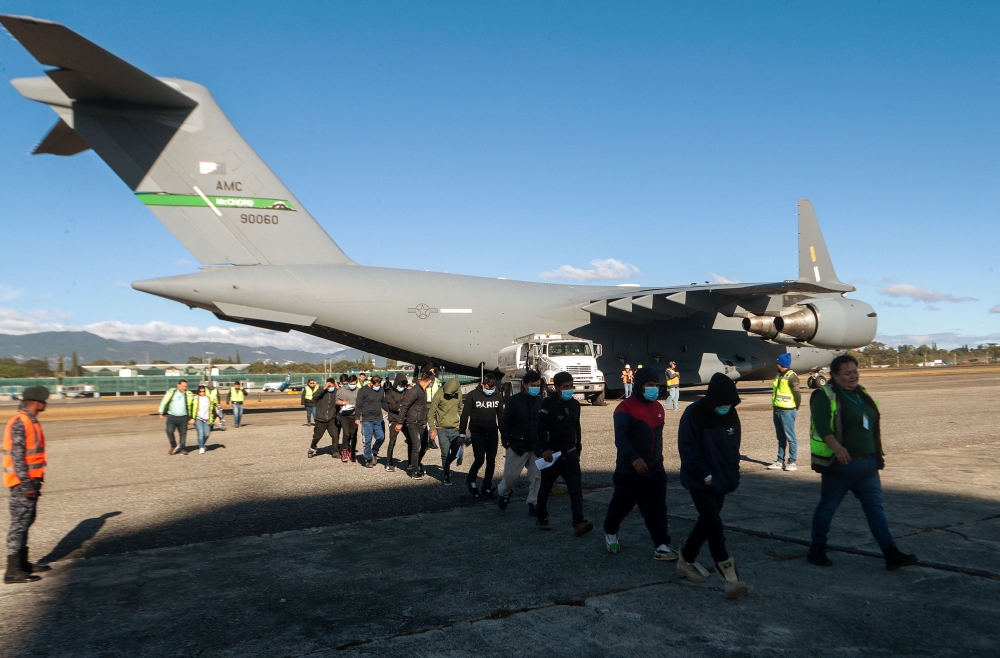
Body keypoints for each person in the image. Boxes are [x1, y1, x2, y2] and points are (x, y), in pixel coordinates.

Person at [808, 354, 918, 571]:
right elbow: (823, 427)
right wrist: (838, 449)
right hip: (841, 465)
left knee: (875, 509)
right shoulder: (824, 396)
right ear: (835, 376)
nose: (853, 376)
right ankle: (817, 548)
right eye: (847, 373)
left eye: (855, 371)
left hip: (868, 465)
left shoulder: (861, 393)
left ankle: (890, 553)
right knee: (827, 507)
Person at [676, 372, 748, 599]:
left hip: (723, 480)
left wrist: (733, 472)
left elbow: (734, 447)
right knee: (714, 525)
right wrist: (705, 475)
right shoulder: (694, 414)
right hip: (700, 481)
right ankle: (729, 578)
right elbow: (688, 450)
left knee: (706, 522)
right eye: (723, 403)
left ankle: (686, 559)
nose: (726, 407)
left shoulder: (731, 413)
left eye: (730, 403)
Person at [603, 370, 677, 560]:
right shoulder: (624, 408)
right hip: (630, 470)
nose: (653, 388)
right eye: (648, 384)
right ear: (639, 385)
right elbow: (620, 438)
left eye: (655, 384)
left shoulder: (659, 408)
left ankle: (661, 545)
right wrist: (633, 458)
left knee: (657, 509)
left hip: (655, 470)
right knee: (621, 506)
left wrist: (658, 463)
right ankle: (610, 532)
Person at [534, 372, 592, 536]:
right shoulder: (547, 404)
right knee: (546, 487)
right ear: (556, 388)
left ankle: (578, 522)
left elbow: (577, 427)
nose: (569, 389)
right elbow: (540, 429)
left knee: (575, 488)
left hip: (570, 453)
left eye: (571, 386)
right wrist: (544, 449)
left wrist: (578, 448)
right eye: (565, 387)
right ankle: (541, 516)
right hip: (552, 454)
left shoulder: (575, 404)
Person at [3, 385, 51, 584]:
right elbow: (17, 457)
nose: (45, 404)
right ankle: (12, 571)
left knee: (26, 522)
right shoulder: (21, 423)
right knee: (19, 525)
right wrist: (26, 485)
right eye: (44, 401)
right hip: (23, 484)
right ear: (37, 402)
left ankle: (22, 564)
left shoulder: (31, 422)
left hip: (32, 481)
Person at [497, 371, 543, 516]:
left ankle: (533, 503)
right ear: (524, 385)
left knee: (537, 477)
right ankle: (503, 493)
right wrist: (506, 442)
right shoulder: (514, 401)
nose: (536, 388)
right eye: (532, 385)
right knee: (510, 477)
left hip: (535, 447)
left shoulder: (540, 402)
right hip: (517, 446)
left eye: (538, 386)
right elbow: (505, 422)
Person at [460, 374, 503, 496]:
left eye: (492, 388)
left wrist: (504, 434)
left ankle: (487, 486)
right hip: (477, 433)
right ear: (482, 384)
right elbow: (464, 415)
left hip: (492, 433)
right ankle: (471, 479)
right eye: (488, 388)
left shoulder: (498, 395)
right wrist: (462, 434)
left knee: (491, 461)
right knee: (479, 459)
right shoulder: (473, 395)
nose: (490, 390)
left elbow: (501, 417)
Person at [768, 353, 801, 471]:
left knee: (791, 437)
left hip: (787, 411)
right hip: (777, 410)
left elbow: (797, 394)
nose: (776, 364)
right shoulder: (779, 375)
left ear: (782, 364)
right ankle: (779, 461)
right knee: (780, 437)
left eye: (778, 362)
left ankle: (792, 462)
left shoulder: (792, 377)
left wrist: (796, 407)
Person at [429, 378, 465, 485]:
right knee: (444, 453)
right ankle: (446, 476)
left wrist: (464, 421)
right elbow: (431, 413)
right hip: (442, 429)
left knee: (456, 452)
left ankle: (446, 466)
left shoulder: (458, 393)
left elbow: (461, 408)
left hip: (455, 428)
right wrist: (432, 429)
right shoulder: (438, 394)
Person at [396, 373, 432, 478]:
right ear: (429, 381)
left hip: (422, 421)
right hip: (413, 422)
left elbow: (422, 406)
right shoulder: (414, 391)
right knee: (416, 446)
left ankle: (416, 463)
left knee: (425, 445)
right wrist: (400, 423)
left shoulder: (422, 390)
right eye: (431, 382)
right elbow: (404, 407)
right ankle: (414, 470)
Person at [355, 375, 385, 468]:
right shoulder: (363, 390)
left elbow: (383, 402)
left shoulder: (381, 389)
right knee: (367, 441)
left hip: (378, 418)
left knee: (381, 437)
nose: (378, 387)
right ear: (371, 383)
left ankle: (374, 451)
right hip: (367, 419)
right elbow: (358, 405)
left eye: (379, 385)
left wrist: (391, 411)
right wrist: (357, 417)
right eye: (376, 385)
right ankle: (368, 459)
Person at [158, 379, 194, 455]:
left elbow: (193, 406)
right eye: (183, 386)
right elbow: (164, 401)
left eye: (186, 386)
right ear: (178, 385)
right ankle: (173, 445)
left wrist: (191, 418)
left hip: (183, 417)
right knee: (169, 431)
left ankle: (182, 448)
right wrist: (161, 412)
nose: (184, 388)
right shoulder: (172, 392)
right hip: (172, 416)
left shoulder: (188, 394)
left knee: (183, 434)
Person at [381, 374, 409, 471]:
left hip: (405, 419)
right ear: (397, 383)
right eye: (400, 385)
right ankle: (389, 461)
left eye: (404, 386)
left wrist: (402, 406)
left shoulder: (407, 392)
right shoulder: (389, 392)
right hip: (394, 420)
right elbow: (392, 406)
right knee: (392, 441)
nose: (402, 388)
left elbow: (407, 403)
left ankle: (411, 462)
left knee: (410, 440)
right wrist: (400, 406)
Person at [308, 378, 340, 458]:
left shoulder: (336, 392)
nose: (330, 387)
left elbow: (341, 395)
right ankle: (312, 447)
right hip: (321, 419)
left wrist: (337, 386)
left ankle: (335, 451)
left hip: (331, 419)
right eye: (329, 386)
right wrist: (324, 388)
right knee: (317, 436)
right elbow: (314, 396)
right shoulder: (321, 392)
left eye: (331, 386)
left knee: (335, 435)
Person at [336, 375, 360, 462]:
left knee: (353, 435)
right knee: (346, 434)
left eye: (354, 384)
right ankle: (344, 450)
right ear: (348, 382)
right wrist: (343, 402)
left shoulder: (359, 391)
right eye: (350, 383)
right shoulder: (341, 390)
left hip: (354, 415)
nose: (352, 385)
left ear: (356, 383)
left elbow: (362, 402)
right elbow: (337, 401)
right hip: (344, 415)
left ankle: (352, 451)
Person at [192, 385, 215, 454]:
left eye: (203, 391)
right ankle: (201, 447)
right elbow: (191, 407)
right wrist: (191, 418)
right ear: (198, 391)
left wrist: (216, 417)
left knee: (207, 434)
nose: (202, 392)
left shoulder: (208, 398)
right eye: (200, 391)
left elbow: (212, 409)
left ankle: (202, 443)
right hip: (198, 418)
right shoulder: (196, 398)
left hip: (207, 419)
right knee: (200, 433)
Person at [424, 365, 442, 450]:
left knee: (434, 423)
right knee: (427, 423)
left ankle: (432, 441)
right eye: (430, 371)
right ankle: (426, 441)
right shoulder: (425, 380)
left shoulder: (438, 381)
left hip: (435, 403)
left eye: (433, 371)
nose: (432, 372)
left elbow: (439, 391)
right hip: (426, 403)